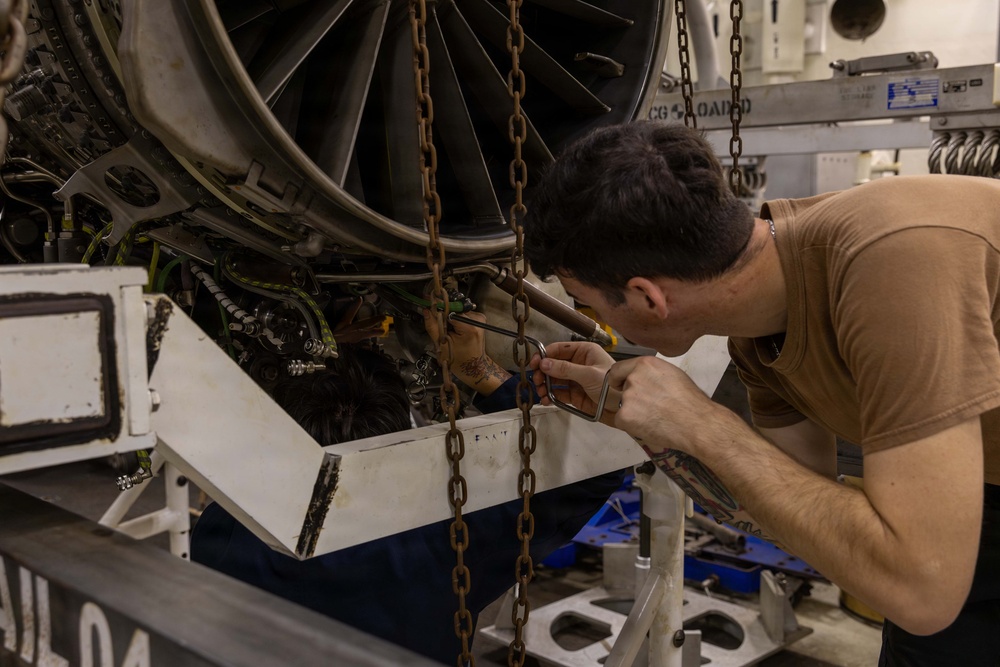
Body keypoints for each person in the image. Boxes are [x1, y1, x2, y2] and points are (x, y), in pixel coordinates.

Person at [523, 120, 1000, 666]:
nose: (593, 321)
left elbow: (922, 589)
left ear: (647, 297)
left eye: (588, 304)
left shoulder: (889, 260)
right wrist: (649, 421)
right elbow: (797, 515)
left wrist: (705, 423)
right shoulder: (761, 332)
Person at [191, 311, 625, 664]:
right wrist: (479, 371)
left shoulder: (222, 531)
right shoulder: (453, 541)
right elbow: (597, 463)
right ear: (400, 431)